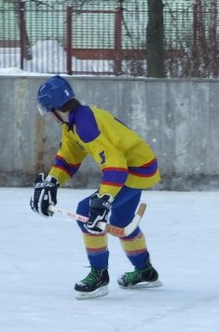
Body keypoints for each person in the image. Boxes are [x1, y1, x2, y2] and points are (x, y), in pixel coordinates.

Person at [30, 75, 162, 300]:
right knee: (121, 223)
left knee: (86, 211)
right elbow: (68, 159)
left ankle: (99, 275)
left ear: (52, 108)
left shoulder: (86, 125)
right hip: (140, 167)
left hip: (134, 171)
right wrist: (52, 182)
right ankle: (145, 272)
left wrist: (104, 199)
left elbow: (116, 165)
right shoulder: (72, 123)